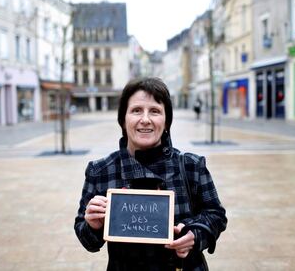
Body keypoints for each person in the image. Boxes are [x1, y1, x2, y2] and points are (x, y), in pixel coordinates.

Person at [74, 77, 227, 270]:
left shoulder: (191, 166)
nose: (145, 119)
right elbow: (88, 241)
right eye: (136, 110)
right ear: (123, 119)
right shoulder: (101, 171)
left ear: (166, 121)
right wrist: (93, 225)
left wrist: (195, 234)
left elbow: (216, 216)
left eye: (155, 111)